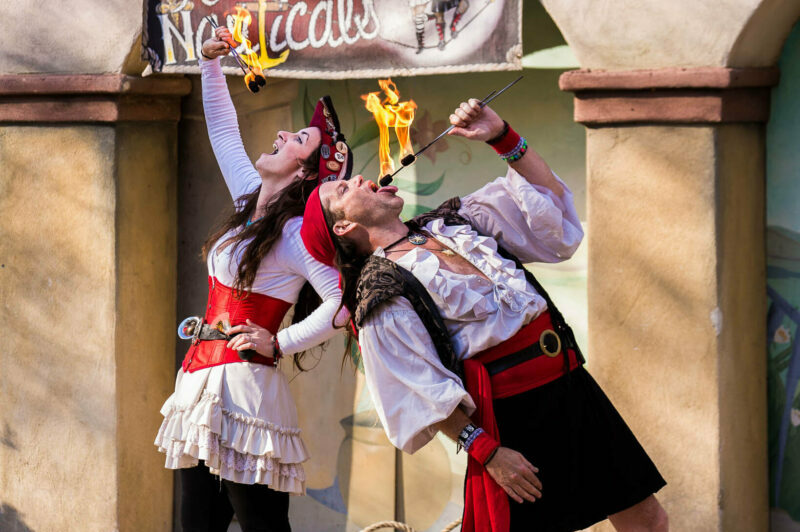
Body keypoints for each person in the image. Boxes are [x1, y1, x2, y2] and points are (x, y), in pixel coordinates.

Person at [298, 98, 669, 531]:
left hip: (571, 384)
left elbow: (548, 208)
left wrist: (502, 137)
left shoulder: (458, 220)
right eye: (342, 190)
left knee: (649, 521)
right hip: (513, 417)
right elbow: (421, 393)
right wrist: (489, 453)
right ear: (343, 227)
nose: (357, 178)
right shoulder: (381, 295)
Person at [154, 26, 350, 532]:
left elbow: (341, 307)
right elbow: (222, 130)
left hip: (248, 394)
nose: (283, 134)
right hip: (199, 383)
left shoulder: (296, 237)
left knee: (264, 528)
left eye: (298, 139)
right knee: (196, 525)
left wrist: (278, 342)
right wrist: (210, 62)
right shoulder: (248, 200)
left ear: (306, 174)